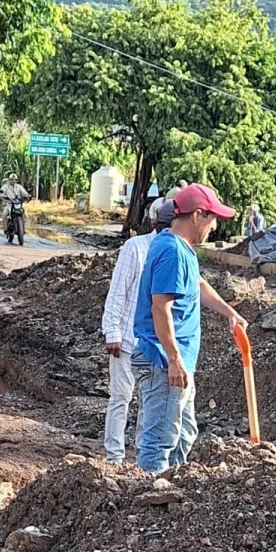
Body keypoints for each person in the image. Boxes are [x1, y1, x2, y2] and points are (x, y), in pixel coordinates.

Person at [132, 183, 246, 473]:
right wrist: (174, 360)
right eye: (212, 218)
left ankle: (170, 492)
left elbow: (196, 284)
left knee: (184, 434)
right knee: (160, 441)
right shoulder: (173, 252)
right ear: (197, 215)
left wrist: (229, 312)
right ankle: (148, 502)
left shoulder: (177, 245)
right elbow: (160, 307)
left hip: (176, 359)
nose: (214, 227)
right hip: (164, 360)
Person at [101, 200, 174, 463]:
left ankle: (143, 456)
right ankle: (115, 458)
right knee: (121, 398)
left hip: (152, 344)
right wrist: (112, 332)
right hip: (127, 340)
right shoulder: (136, 247)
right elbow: (118, 291)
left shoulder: (173, 252)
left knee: (148, 403)